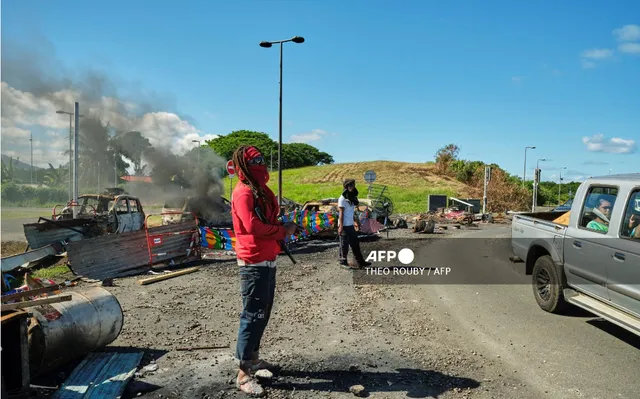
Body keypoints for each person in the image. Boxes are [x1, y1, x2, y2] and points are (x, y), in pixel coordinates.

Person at [230, 145, 297, 397]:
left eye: (260, 159)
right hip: (253, 263)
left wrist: (283, 225)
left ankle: (254, 360)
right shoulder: (244, 192)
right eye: (254, 160)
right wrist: (282, 231)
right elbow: (252, 226)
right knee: (252, 316)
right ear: (243, 165)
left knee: (263, 312)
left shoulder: (260, 191)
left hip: (267, 260)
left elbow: (266, 221)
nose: (260, 163)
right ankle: (244, 373)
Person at [337, 179, 371, 269]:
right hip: (344, 225)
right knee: (344, 245)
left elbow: (352, 211)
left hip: (350, 224)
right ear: (346, 187)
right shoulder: (342, 199)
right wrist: (340, 226)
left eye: (353, 185)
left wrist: (356, 221)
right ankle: (343, 262)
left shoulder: (352, 198)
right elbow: (341, 213)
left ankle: (361, 262)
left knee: (355, 243)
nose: (352, 187)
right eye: (350, 185)